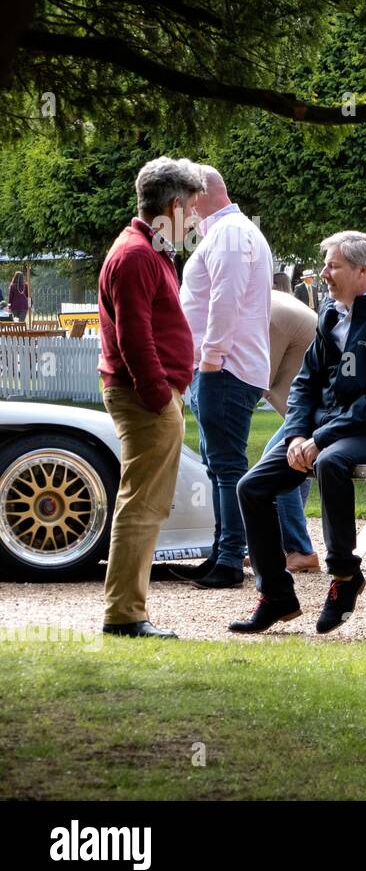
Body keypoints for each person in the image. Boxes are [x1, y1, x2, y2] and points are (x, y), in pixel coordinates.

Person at [231, 231, 366, 634]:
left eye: (333, 266)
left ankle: (345, 579)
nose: (324, 274)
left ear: (362, 271)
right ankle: (276, 595)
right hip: (325, 431)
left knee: (333, 461)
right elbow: (305, 383)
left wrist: (321, 439)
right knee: (251, 487)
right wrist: (297, 435)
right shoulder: (331, 315)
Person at [98, 157, 206, 639]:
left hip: (151, 395)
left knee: (145, 504)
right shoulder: (138, 254)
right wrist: (160, 395)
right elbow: (134, 337)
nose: (198, 219)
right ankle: (124, 616)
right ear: (175, 205)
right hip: (147, 398)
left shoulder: (145, 249)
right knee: (142, 505)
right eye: (194, 209)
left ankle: (128, 612)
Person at [180, 165, 273, 589]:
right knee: (220, 466)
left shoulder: (230, 233)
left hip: (225, 367)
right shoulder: (231, 231)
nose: (179, 208)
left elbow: (225, 299)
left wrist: (211, 358)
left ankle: (231, 557)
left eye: (183, 198)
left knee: (226, 466)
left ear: (198, 195)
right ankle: (224, 552)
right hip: (224, 366)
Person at [255, 288, 321, 574]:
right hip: (313, 404)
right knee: (294, 466)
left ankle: (299, 549)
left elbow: (258, 377)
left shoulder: (269, 318)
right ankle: (292, 546)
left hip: (316, 406)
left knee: (277, 463)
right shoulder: (270, 304)